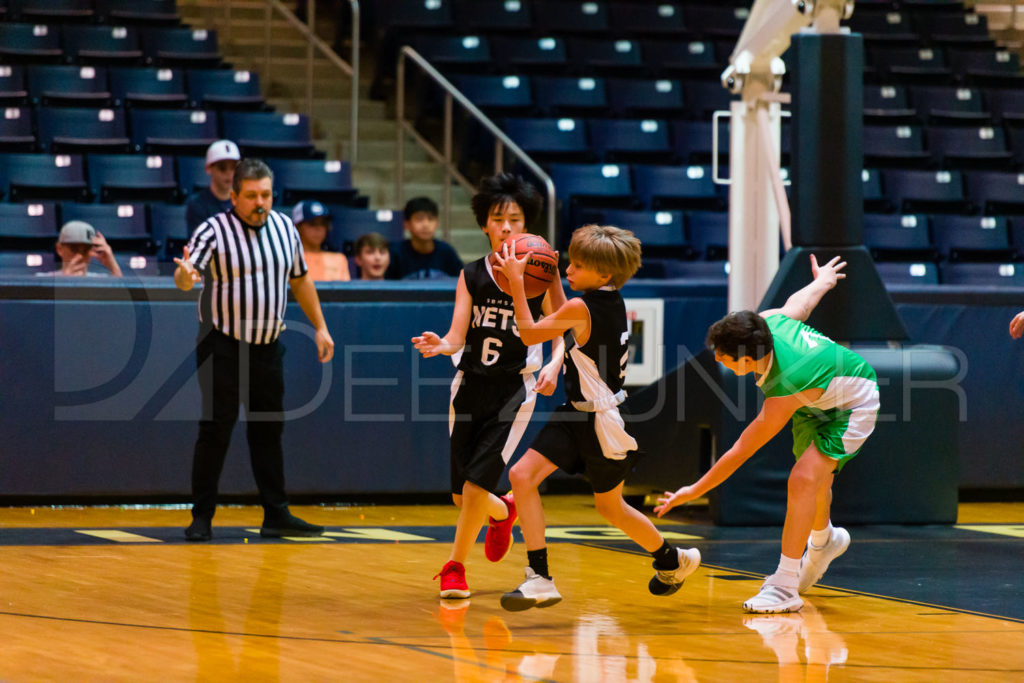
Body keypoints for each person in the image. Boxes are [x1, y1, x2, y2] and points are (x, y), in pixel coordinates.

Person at [492, 224, 702, 611]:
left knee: (611, 508)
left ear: (603, 274)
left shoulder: (581, 307)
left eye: (578, 266)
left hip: (602, 421)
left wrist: (520, 284)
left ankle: (673, 559)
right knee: (522, 476)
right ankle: (539, 577)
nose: (569, 270)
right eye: (568, 263)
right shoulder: (610, 300)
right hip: (577, 414)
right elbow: (564, 322)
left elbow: (530, 333)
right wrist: (552, 278)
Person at [655, 254, 880, 614]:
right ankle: (825, 540)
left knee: (803, 480)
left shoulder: (786, 382)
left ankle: (784, 584)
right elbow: (799, 304)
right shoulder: (768, 323)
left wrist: (694, 490)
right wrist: (822, 281)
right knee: (817, 482)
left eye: (724, 356)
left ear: (746, 359)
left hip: (854, 404)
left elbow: (741, 450)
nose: (717, 360)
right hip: (818, 400)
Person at [412, 173, 564, 600]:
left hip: (515, 390)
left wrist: (554, 364)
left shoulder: (542, 271)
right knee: (463, 496)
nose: (507, 227)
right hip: (469, 384)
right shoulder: (471, 275)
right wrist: (442, 345)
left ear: (528, 225)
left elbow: (563, 329)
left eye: (515, 219)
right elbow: (458, 335)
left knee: (477, 483)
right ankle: (504, 512)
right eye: (499, 219)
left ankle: (455, 566)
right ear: (485, 225)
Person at [173, 158, 336, 542]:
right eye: (251, 196)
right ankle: (202, 517)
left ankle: (276, 514)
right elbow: (185, 277)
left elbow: (300, 280)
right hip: (223, 345)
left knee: (269, 431)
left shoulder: (284, 228)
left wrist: (320, 327)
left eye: (266, 194)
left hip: (267, 346)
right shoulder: (213, 230)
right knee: (216, 430)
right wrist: (184, 275)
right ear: (234, 196)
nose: (260, 202)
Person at [387, 196, 463, 280]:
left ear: (437, 223)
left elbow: (461, 282)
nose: (426, 225)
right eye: (419, 219)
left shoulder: (447, 252)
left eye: (430, 219)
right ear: (406, 224)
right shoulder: (395, 253)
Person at [185, 139, 241, 232]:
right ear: (208, 168)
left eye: (233, 167)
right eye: (222, 168)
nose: (229, 173)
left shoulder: (243, 201)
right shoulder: (197, 204)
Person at [292, 200, 350, 282]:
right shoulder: (289, 259)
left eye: (323, 224)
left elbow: (345, 294)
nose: (318, 229)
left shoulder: (339, 260)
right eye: (312, 224)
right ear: (298, 227)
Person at [45, 220, 123, 277]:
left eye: (86, 250)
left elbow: (121, 295)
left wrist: (112, 265)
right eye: (74, 249)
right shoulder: (43, 280)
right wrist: (65, 282)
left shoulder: (99, 280)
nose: (80, 256)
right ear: (59, 249)